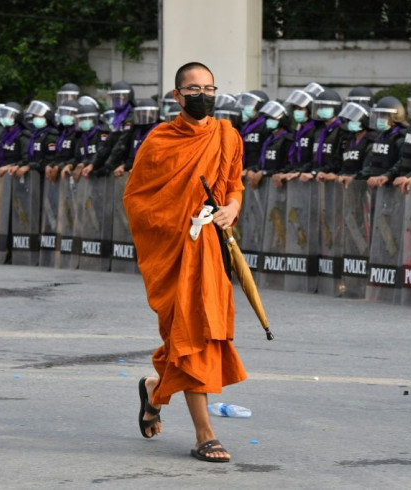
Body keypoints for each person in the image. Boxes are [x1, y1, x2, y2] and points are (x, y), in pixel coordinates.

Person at [123, 61, 246, 463]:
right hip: (175, 252)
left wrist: (230, 209)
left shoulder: (228, 137)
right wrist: (180, 217)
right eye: (193, 90)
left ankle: (156, 390)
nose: (203, 95)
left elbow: (234, 188)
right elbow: (138, 201)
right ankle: (204, 434)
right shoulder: (159, 141)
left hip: (210, 252)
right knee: (187, 334)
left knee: (203, 335)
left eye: (209, 88)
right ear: (177, 96)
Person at [245, 100, 294, 189]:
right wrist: (252, 170)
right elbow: (262, 163)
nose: (269, 121)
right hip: (267, 188)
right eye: (268, 119)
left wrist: (265, 173)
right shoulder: (268, 139)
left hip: (283, 187)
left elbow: (290, 166)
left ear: (281, 120)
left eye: (273, 119)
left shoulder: (288, 140)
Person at [360, 96, 407, 186]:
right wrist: (355, 177)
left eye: (383, 115)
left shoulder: (401, 138)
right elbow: (372, 165)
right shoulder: (380, 137)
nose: (380, 118)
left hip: (393, 188)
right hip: (378, 187)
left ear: (395, 117)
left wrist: (387, 176)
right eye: (379, 115)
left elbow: (402, 163)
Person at [113, 98, 161, 177]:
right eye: (142, 113)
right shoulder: (136, 131)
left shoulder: (159, 131)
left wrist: (139, 169)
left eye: (148, 113)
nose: (145, 116)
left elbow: (156, 159)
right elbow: (133, 156)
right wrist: (124, 166)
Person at [335, 102, 373, 187]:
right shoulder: (348, 140)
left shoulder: (370, 141)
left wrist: (354, 177)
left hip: (363, 185)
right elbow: (343, 165)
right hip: (347, 185)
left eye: (354, 120)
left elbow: (368, 168)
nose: (350, 122)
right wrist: (338, 176)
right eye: (349, 120)